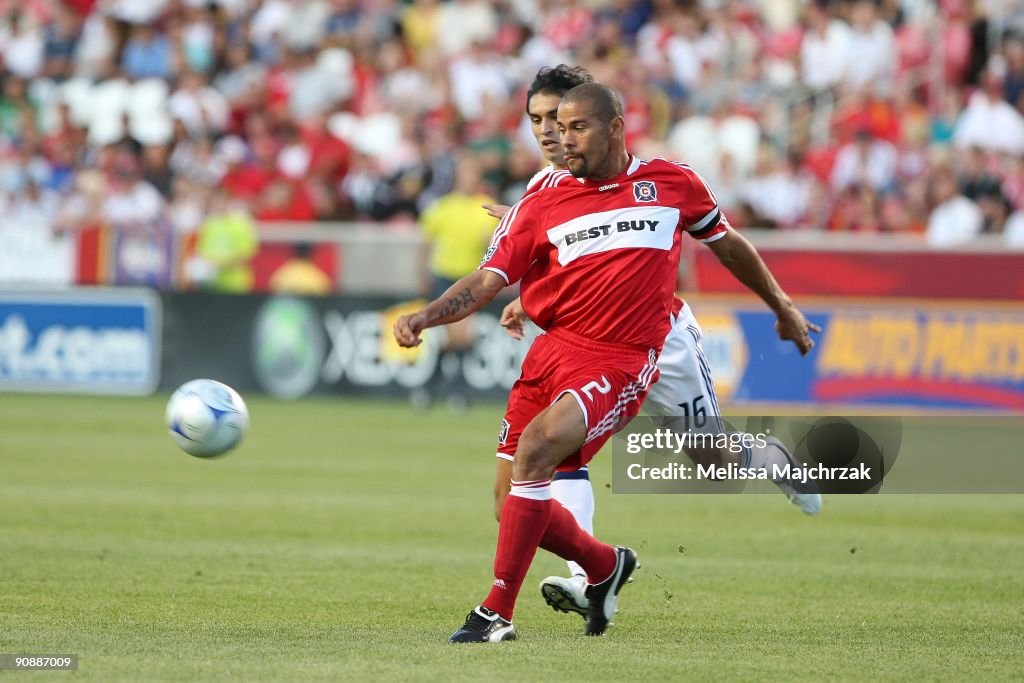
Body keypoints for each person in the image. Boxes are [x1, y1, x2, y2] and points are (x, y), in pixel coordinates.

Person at [394, 83, 819, 643]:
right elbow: (528, 266)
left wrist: (781, 305)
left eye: (566, 123)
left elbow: (724, 244)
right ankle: (588, 573)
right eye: (543, 122)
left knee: (710, 454)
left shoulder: (671, 182)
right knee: (546, 459)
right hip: (575, 351)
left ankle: (768, 458)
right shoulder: (541, 194)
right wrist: (465, 310)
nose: (553, 134)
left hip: (658, 339)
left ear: (613, 126)